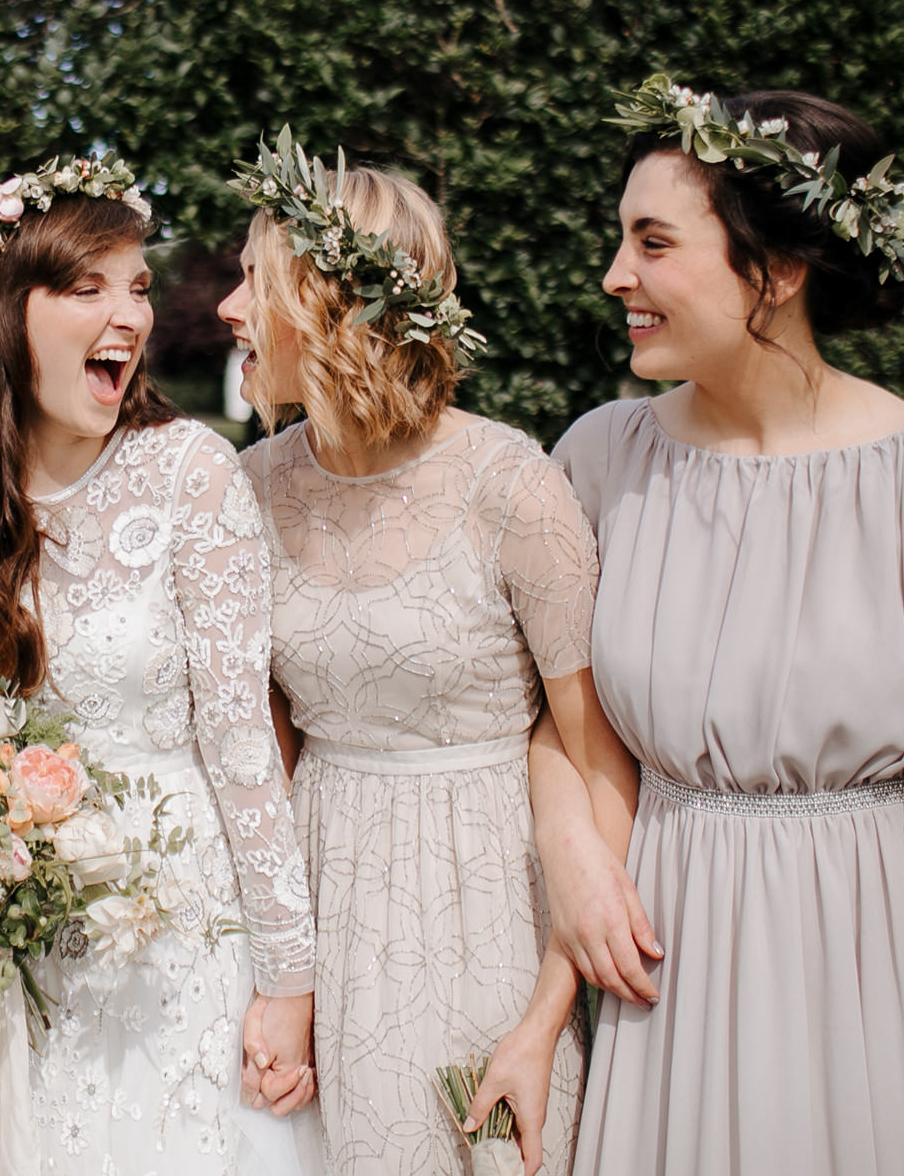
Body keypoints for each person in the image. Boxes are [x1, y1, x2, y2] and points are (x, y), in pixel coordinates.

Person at [555, 77, 904, 1175]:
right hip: (677, 990)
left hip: (892, 979)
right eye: (618, 239)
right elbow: (545, 722)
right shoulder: (600, 461)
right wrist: (569, 853)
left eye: (652, 242)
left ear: (777, 273)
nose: (614, 277)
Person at [0, 157, 320, 1174]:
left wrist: (286, 978)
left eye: (137, 286)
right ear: (0, 315)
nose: (129, 316)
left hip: (176, 947)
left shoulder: (189, 476)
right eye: (86, 287)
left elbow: (241, 743)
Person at [215, 137, 651, 1176]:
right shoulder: (248, 487)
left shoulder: (508, 484)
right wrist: (276, 977)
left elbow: (599, 763)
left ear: (329, 304)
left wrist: (547, 1019)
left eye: (250, 280)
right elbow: (261, 742)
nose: (229, 310)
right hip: (321, 908)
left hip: (488, 917)